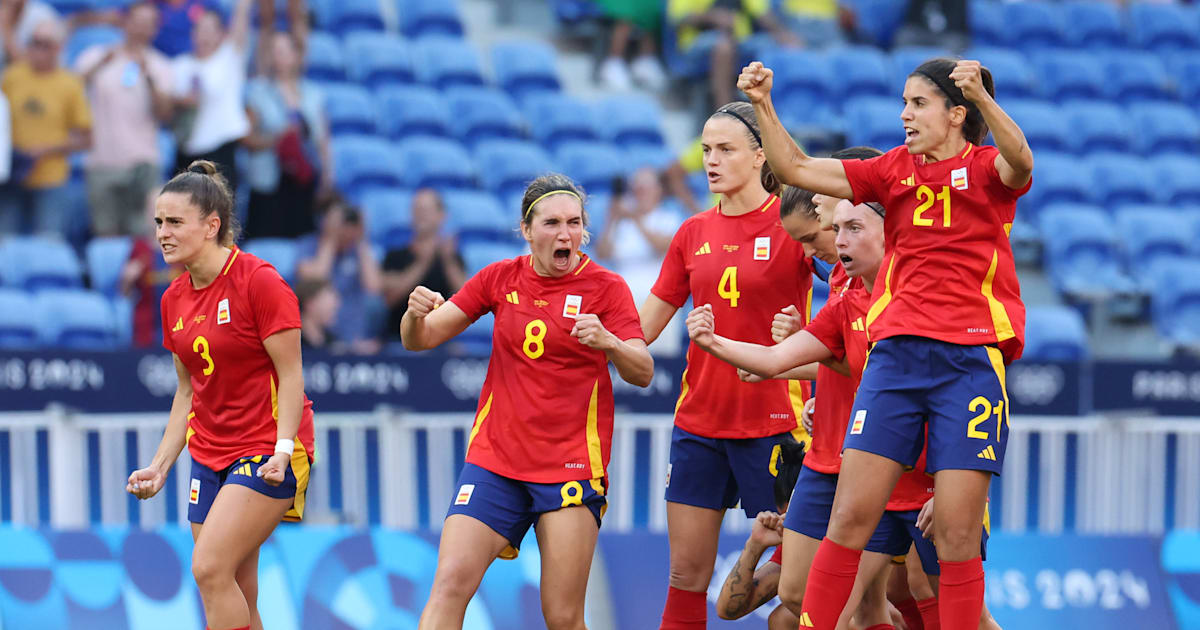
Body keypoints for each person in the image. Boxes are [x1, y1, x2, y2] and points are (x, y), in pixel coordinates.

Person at [739, 54, 1033, 629]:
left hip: (971, 363)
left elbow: (1022, 162)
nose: (904, 114)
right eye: (903, 102)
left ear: (956, 113)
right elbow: (795, 167)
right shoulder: (892, 171)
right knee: (849, 517)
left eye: (917, 103)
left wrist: (985, 99)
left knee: (955, 538)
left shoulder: (986, 170)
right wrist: (762, 105)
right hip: (895, 360)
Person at [402, 174, 653, 630]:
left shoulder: (607, 287)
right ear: (527, 230)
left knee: (561, 615)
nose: (566, 235)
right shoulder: (499, 277)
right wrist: (412, 315)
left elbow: (643, 370)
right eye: (553, 223)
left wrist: (611, 343)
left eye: (575, 223)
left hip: (570, 467)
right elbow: (422, 339)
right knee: (450, 584)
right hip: (495, 461)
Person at [639, 101, 813, 630]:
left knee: (801, 587)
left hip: (777, 427)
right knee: (685, 578)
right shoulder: (691, 232)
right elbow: (641, 329)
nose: (710, 161)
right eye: (706, 150)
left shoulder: (794, 224)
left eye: (725, 150)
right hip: (699, 424)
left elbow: (860, 285)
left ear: (761, 155)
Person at [126, 160, 316, 630]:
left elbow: (291, 377)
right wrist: (160, 465)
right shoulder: (172, 298)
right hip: (209, 456)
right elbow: (188, 391)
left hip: (265, 450)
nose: (162, 233)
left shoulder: (259, 281)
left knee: (209, 568)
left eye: (174, 222)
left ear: (212, 226)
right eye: (158, 223)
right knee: (236, 588)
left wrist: (283, 449)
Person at [75, 1, 174, 237]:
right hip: (102, 162)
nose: (140, 28)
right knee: (106, 238)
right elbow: (69, 92)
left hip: (143, 163)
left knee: (145, 238)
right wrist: (99, 66)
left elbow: (166, 115)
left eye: (147, 24)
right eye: (136, 21)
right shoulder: (96, 56)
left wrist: (148, 76)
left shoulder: (161, 65)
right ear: (124, 21)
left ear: (155, 29)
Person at [242, 0, 334, 241]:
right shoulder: (258, 92)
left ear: (296, 55)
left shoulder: (313, 95)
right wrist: (276, 140)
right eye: (273, 51)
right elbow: (246, 139)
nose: (277, 57)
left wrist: (326, 177)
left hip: (304, 184)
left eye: (283, 51)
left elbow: (322, 140)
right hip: (269, 185)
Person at [0, 18, 91, 236]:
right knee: (5, 243)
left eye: (46, 44)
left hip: (51, 179)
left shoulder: (70, 84)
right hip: (13, 177)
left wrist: (46, 149)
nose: (39, 49)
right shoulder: (11, 77)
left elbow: (86, 139)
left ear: (58, 48)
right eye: (34, 42)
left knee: (49, 244)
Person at [715, 436, 805, 629]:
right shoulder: (797, 545)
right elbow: (727, 610)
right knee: (782, 619)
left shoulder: (860, 533)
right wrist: (755, 545)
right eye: (788, 523)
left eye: (799, 523)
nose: (794, 531)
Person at [171, 0, 252, 194]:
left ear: (221, 34)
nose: (204, 34)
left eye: (210, 29)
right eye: (200, 28)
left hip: (221, 151)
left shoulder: (229, 58)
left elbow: (240, 22)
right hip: (187, 152)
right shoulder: (180, 65)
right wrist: (182, 102)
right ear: (192, 33)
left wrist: (243, 5)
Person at [296, 200, 385, 353]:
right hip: (319, 336)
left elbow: (374, 287)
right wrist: (330, 238)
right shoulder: (308, 245)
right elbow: (313, 283)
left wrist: (362, 238)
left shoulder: (359, 250)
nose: (345, 229)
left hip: (354, 335)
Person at [381, 188, 465, 340]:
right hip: (398, 339)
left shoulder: (451, 257)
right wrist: (422, 262)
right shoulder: (395, 255)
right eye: (417, 209)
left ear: (442, 215)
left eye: (427, 210)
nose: (421, 215)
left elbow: (465, 300)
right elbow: (390, 299)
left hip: (440, 340)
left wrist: (448, 260)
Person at [296, 277, 341, 351]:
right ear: (310, 304)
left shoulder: (332, 343)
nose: (336, 305)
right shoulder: (289, 343)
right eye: (327, 301)